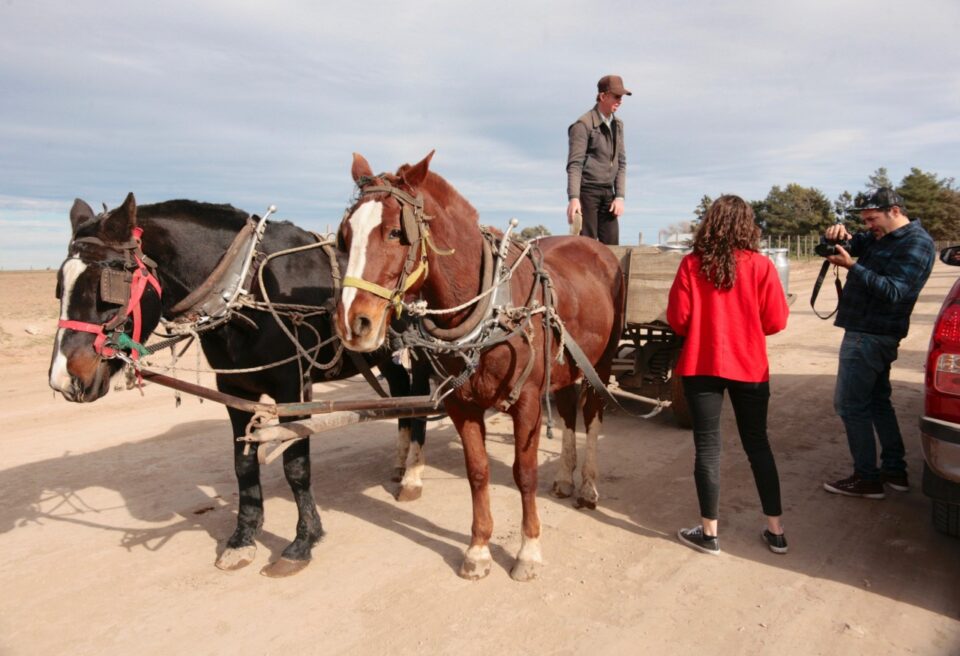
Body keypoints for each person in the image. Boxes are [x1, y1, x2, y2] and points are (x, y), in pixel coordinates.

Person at [666, 195, 790, 555]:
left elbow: (679, 319)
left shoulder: (692, 264)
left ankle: (709, 534)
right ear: (748, 226)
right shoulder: (762, 266)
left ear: (710, 223)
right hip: (749, 365)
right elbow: (776, 321)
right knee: (758, 444)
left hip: (701, 365)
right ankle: (776, 531)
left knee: (707, 448)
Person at [822, 188, 935, 499]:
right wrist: (833, 236)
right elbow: (843, 246)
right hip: (868, 332)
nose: (868, 225)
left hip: (871, 334)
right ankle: (894, 471)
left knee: (849, 405)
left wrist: (853, 267)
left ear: (894, 211)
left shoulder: (917, 243)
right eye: (865, 220)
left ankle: (867, 478)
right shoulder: (878, 236)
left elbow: (894, 291)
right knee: (877, 402)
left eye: (872, 218)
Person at [566, 74, 630, 245]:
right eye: (616, 96)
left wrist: (620, 197)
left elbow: (621, 162)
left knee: (612, 249)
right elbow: (575, 165)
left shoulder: (618, 125)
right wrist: (574, 198)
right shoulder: (583, 125)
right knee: (587, 248)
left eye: (621, 97)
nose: (620, 101)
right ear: (603, 96)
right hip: (587, 193)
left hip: (608, 194)